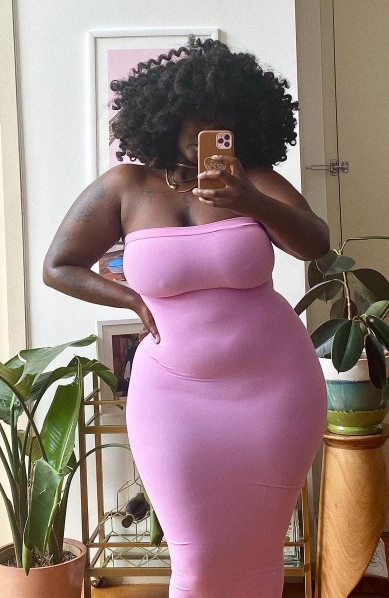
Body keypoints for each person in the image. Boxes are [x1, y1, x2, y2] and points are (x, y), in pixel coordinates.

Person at [43, 37, 328, 598]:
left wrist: (251, 202)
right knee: (195, 560)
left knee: (259, 551)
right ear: (167, 117)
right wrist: (130, 300)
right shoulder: (126, 187)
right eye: (202, 118)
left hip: (275, 388)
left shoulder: (255, 179)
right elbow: (59, 266)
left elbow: (316, 243)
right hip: (172, 397)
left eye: (226, 119)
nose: (216, 130)